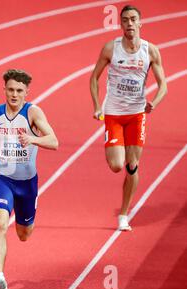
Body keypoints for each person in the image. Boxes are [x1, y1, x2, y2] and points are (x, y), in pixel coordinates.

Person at [90, 5, 167, 231]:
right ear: (121, 24)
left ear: (140, 23)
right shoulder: (110, 49)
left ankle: (123, 214)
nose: (129, 23)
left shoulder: (150, 51)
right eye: (125, 20)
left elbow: (164, 84)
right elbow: (94, 78)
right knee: (116, 165)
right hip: (113, 113)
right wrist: (96, 106)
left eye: (133, 19)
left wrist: (154, 101)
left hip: (137, 114)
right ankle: (120, 157)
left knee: (132, 165)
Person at [0, 69, 58, 289]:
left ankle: (22, 217)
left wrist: (32, 138)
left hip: (27, 184)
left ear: (27, 92)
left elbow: (54, 141)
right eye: (10, 90)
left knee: (24, 234)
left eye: (19, 91)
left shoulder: (32, 113)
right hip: (3, 179)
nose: (14, 95)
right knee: (0, 224)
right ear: (4, 90)